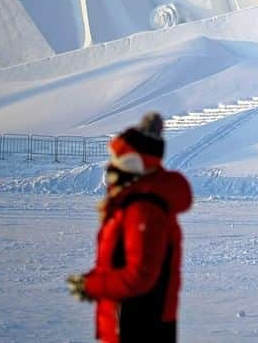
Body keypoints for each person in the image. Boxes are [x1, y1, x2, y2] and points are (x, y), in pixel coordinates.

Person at [66, 113, 192, 343]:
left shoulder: (143, 208)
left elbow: (139, 275)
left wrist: (91, 285)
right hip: (130, 321)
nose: (111, 168)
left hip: (141, 324)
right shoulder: (132, 202)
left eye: (117, 160)